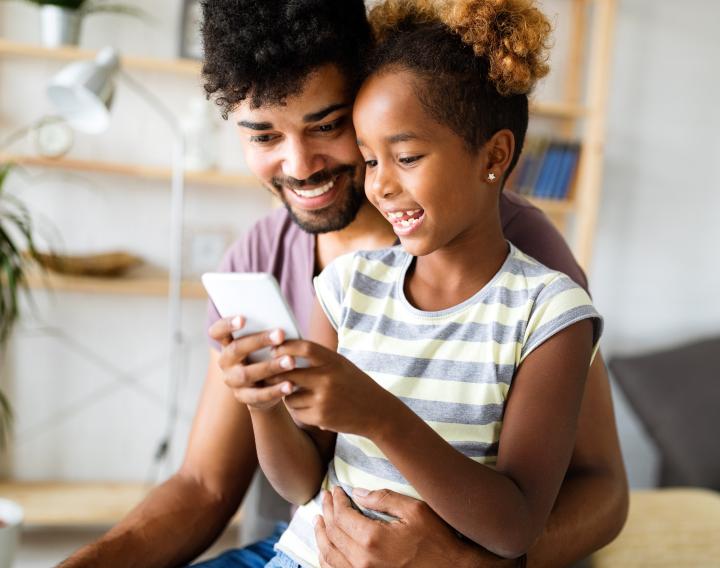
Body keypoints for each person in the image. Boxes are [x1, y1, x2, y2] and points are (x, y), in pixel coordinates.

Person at [59, 1, 628, 567]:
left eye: (327, 126)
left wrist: (458, 563)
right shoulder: (300, 270)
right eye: (263, 136)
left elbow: (597, 492)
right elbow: (208, 485)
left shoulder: (529, 262)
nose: (300, 165)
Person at [225, 0, 604, 566]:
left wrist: (380, 416)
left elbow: (515, 527)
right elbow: (302, 482)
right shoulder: (347, 288)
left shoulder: (548, 315)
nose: (379, 187)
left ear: (494, 156)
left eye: (405, 157)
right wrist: (262, 407)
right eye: (370, 160)